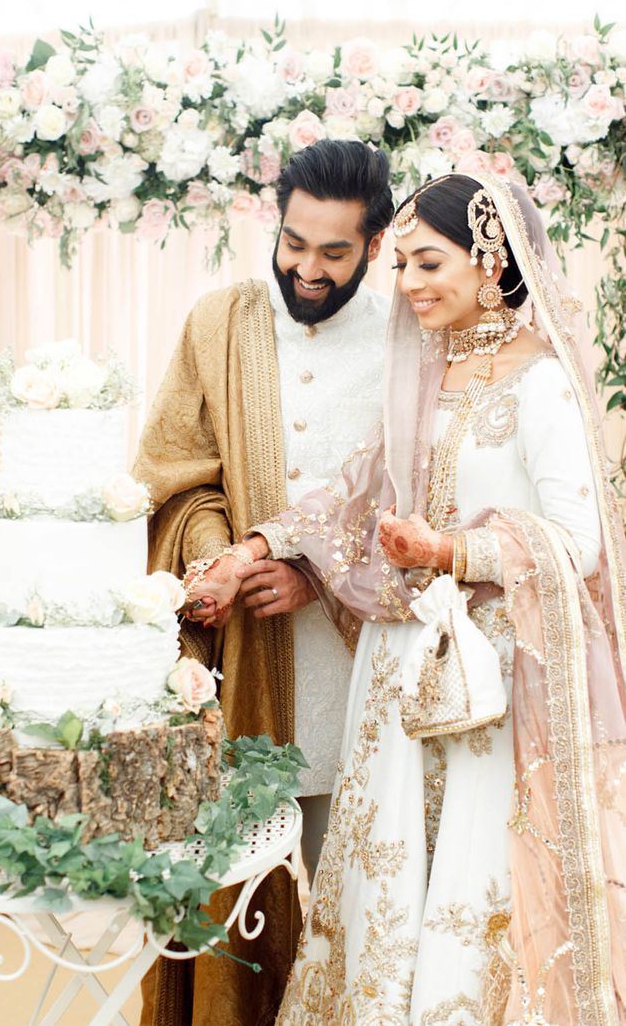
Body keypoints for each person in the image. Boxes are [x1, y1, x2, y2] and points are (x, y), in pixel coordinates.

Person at [186, 173, 626, 1021]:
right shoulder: (424, 375)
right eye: (406, 266)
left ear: (491, 261)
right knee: (387, 884)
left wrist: (450, 550)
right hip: (394, 677)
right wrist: (250, 553)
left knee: (470, 877)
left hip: (490, 684)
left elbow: (579, 545)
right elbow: (351, 499)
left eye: (431, 262)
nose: (413, 283)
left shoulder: (542, 384)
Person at [132, 139, 394, 1026]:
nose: (308, 270)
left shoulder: (409, 337)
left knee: (355, 915)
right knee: (235, 903)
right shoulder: (220, 321)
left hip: (362, 676)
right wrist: (214, 553)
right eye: (294, 243)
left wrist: (317, 574)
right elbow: (175, 469)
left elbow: (425, 492)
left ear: (377, 243)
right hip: (238, 671)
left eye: (334, 252)